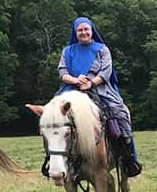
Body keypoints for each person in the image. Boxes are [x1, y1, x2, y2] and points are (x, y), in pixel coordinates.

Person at [57, 16, 141, 177]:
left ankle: (128, 158)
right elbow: (62, 72)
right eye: (80, 30)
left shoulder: (102, 49)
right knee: (52, 115)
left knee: (120, 113)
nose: (83, 32)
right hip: (72, 88)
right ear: (75, 32)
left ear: (91, 30)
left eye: (86, 29)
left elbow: (106, 71)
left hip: (100, 89)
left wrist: (91, 83)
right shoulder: (67, 51)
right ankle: (53, 159)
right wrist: (75, 80)